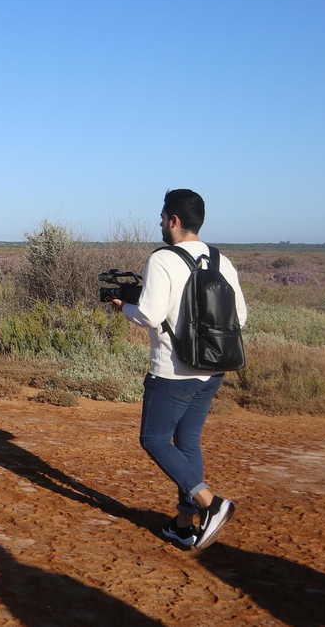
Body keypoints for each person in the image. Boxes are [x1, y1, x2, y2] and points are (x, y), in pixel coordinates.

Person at [110, 188, 247, 551]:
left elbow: (150, 315)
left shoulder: (162, 260)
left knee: (153, 439)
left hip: (172, 371)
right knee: (187, 442)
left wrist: (124, 307)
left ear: (174, 220)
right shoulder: (222, 261)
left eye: (162, 217)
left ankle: (210, 503)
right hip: (212, 371)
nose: (159, 223)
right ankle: (184, 525)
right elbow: (241, 317)